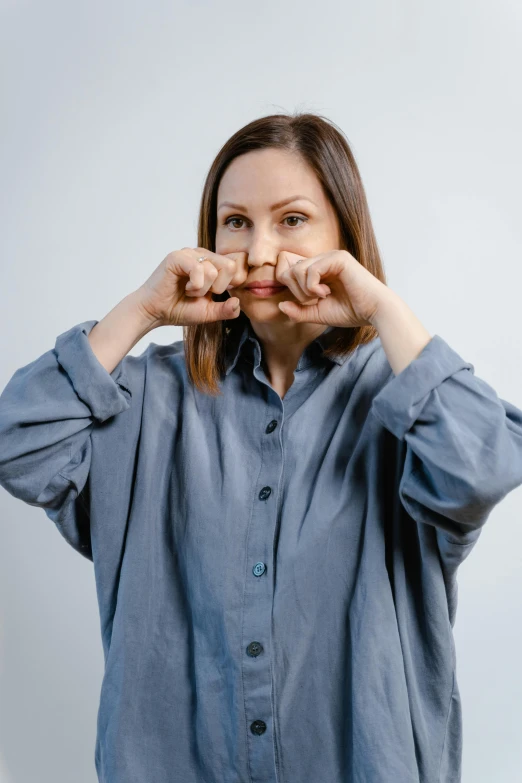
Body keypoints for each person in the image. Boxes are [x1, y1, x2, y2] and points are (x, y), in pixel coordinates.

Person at [0, 112, 521, 783]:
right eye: (236, 221)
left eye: (293, 219)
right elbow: (16, 442)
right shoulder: (146, 399)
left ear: (344, 234)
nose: (263, 249)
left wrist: (383, 310)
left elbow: (486, 466)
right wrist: (141, 311)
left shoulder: (410, 400)